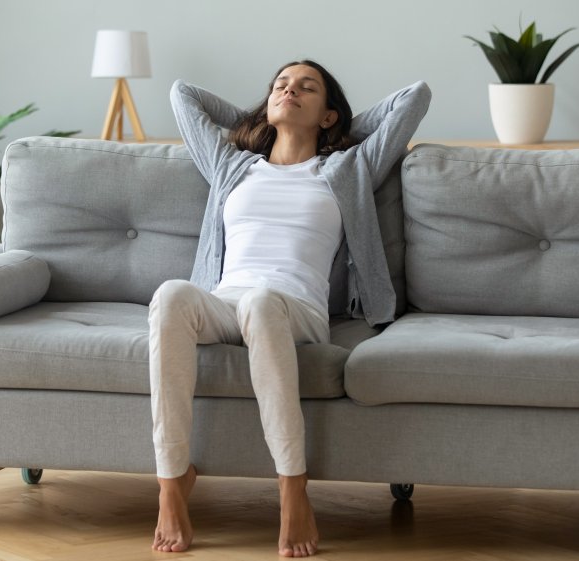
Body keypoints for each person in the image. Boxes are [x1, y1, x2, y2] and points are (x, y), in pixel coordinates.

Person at [149, 59, 431, 557]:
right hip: (225, 300)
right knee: (171, 294)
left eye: (307, 88)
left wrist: (339, 124)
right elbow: (182, 94)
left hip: (294, 308)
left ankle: (292, 487)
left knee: (261, 301)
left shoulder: (348, 167)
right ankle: (172, 484)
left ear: (328, 115)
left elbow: (416, 95)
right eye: (280, 85)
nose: (289, 90)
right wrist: (264, 114)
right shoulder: (233, 164)